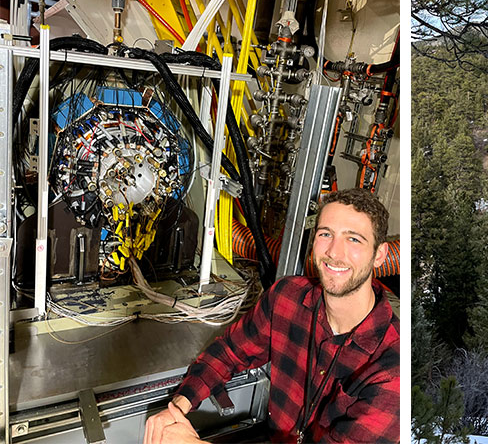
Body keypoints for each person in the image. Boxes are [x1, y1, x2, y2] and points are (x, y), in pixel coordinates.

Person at [143, 188, 400, 444]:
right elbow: (229, 352)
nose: (334, 251)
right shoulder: (287, 297)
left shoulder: (393, 368)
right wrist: (178, 406)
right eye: (325, 234)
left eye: (353, 239)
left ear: (379, 255)